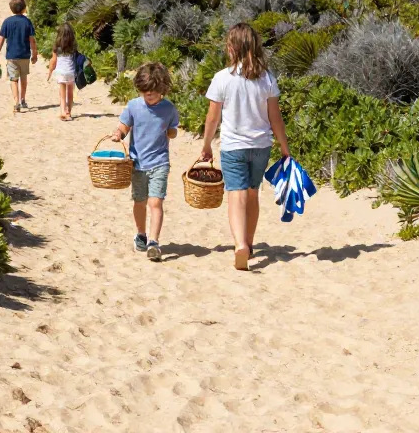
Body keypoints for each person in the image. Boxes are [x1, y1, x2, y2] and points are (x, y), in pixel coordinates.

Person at [200, 22, 290, 271]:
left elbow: (212, 118)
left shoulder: (222, 78)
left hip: (233, 147)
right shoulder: (267, 78)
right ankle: (249, 244)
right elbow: (275, 117)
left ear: (232, 48)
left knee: (236, 194)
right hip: (261, 146)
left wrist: (206, 145)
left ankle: (240, 244)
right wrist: (284, 147)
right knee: (252, 193)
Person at [110, 62, 178, 262]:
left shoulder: (168, 108)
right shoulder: (133, 106)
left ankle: (154, 242)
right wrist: (118, 134)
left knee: (155, 202)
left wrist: (170, 132)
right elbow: (124, 126)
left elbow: (173, 130)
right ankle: (141, 234)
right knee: (139, 202)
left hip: (160, 161)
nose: (149, 95)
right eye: (145, 91)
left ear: (162, 88)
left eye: (153, 92)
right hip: (137, 163)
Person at [0, 0, 37, 115]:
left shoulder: (7, 22)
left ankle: (16, 102)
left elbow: (1, 39)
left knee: (13, 79)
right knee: (24, 78)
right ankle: (23, 99)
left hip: (11, 56)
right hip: (24, 55)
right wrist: (35, 53)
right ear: (24, 8)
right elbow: (32, 40)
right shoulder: (27, 22)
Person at [46, 22, 79, 121]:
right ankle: (68, 111)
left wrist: (50, 72)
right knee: (70, 93)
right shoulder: (73, 46)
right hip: (71, 71)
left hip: (61, 72)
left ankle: (63, 112)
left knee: (62, 93)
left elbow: (53, 61)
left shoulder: (56, 46)